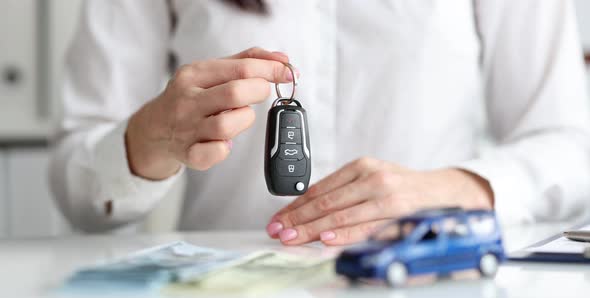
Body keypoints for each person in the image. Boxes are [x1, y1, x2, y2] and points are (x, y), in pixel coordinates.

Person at [49, 0, 590, 246]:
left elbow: (570, 143)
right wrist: (150, 138)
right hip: (226, 291)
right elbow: (78, 188)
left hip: (430, 277)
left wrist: (455, 187)